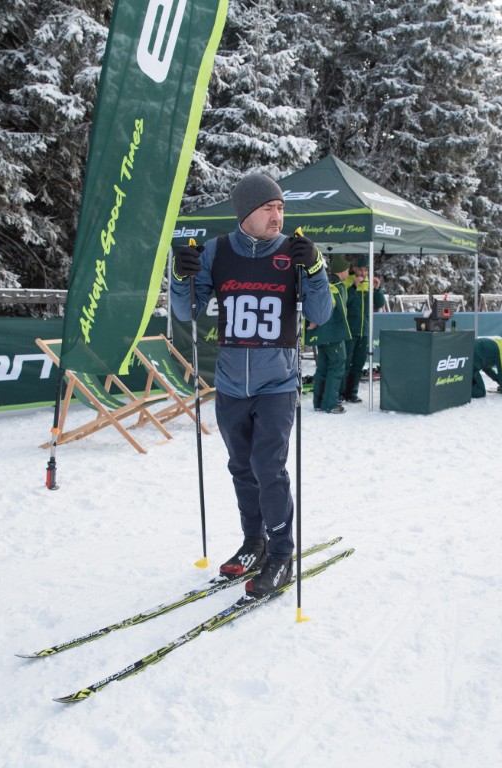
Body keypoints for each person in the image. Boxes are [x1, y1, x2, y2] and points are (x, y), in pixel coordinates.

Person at [170, 172, 333, 597]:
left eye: (281, 208)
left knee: (268, 467)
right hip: (230, 384)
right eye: (268, 208)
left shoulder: (294, 252)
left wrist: (316, 269)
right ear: (246, 212)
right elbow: (187, 311)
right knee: (241, 467)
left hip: (277, 382)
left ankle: (281, 553)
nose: (277, 216)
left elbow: (321, 313)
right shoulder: (216, 251)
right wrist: (180, 277)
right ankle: (254, 542)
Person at [307, 253, 353, 414]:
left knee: (323, 367)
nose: (348, 273)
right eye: (347, 270)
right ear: (343, 270)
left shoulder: (326, 282)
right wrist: (316, 320)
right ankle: (331, 404)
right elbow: (327, 304)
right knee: (337, 366)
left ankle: (319, 402)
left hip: (322, 334)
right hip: (333, 333)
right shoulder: (336, 286)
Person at [341, 257, 386, 403]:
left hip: (364, 330)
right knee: (346, 363)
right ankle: (341, 393)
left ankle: (352, 393)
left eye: (366, 270)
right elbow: (344, 302)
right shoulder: (347, 281)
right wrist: (354, 286)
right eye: (361, 270)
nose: (363, 273)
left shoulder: (369, 284)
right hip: (349, 330)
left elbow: (379, 303)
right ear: (354, 268)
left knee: (359, 364)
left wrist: (377, 289)